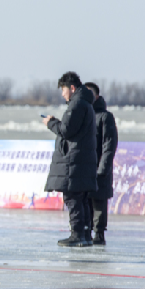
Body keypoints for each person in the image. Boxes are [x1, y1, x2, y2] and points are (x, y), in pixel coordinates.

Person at [42, 72, 98, 247]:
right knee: (80, 197)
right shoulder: (85, 104)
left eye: (63, 90)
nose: (62, 94)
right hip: (81, 159)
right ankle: (85, 234)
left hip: (75, 160)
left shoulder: (77, 105)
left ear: (72, 88)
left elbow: (66, 130)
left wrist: (50, 123)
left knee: (73, 196)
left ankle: (77, 234)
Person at [83, 82, 118, 245]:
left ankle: (99, 233)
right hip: (85, 167)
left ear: (96, 95)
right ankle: (85, 230)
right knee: (85, 202)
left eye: (90, 93)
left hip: (99, 168)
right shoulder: (83, 115)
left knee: (98, 202)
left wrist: (103, 168)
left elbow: (109, 145)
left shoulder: (105, 117)